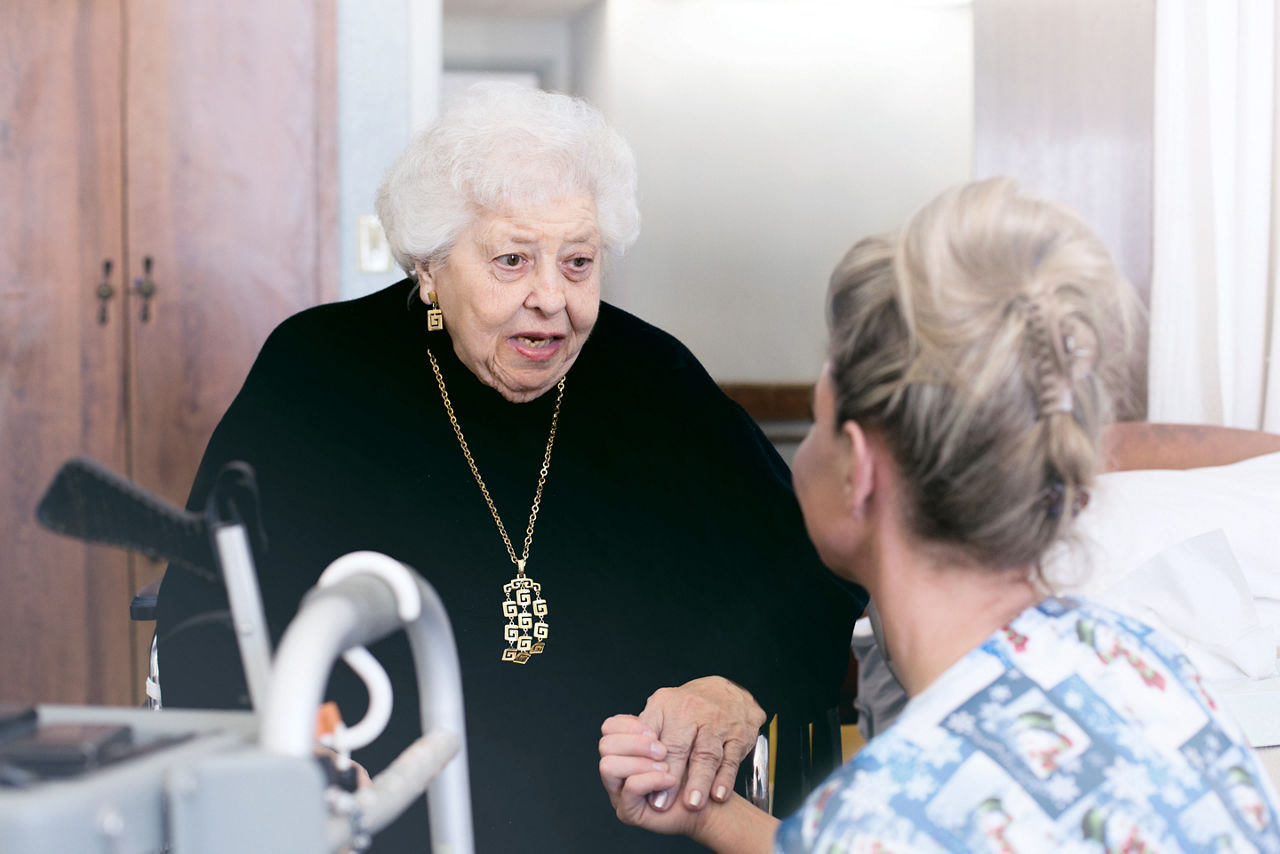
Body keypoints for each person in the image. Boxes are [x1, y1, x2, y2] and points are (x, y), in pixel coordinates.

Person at [154, 82, 861, 852]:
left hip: (631, 827)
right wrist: (292, 763)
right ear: (429, 267)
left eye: (580, 262)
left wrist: (734, 687)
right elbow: (212, 604)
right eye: (512, 260)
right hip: (384, 818)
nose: (551, 300)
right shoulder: (315, 373)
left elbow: (814, 565)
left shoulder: (652, 377)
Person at [599, 178, 1280, 852]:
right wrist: (715, 818)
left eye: (819, 419)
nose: (805, 449)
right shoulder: (1140, 661)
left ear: (860, 467)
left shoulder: (888, 813)